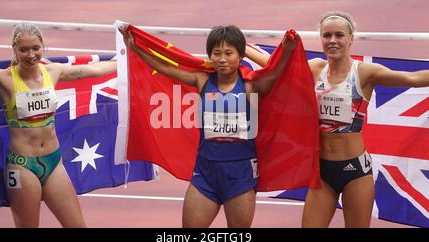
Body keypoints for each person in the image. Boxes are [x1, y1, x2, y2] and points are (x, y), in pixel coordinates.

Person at [245, 10, 429, 227]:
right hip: (321, 171)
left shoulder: (365, 73)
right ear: (321, 38)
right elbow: (275, 65)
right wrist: (243, 48)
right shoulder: (315, 68)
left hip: (356, 172)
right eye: (327, 35)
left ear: (351, 38)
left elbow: (414, 78)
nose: (332, 40)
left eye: (339, 35)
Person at [120, 24, 299, 227]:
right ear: (210, 56)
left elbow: (277, 74)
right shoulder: (202, 80)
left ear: (241, 56)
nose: (222, 59)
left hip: (240, 176)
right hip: (205, 174)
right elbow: (165, 68)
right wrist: (135, 48)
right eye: (217, 53)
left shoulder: (251, 86)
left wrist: (288, 50)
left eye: (229, 53)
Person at [0, 23, 116, 227]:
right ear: (14, 49)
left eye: (35, 48)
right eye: (24, 49)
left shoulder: (53, 72)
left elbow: (93, 70)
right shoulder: (3, 78)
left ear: (42, 46)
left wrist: (127, 60)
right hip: (22, 167)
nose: (31, 54)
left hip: (54, 164)